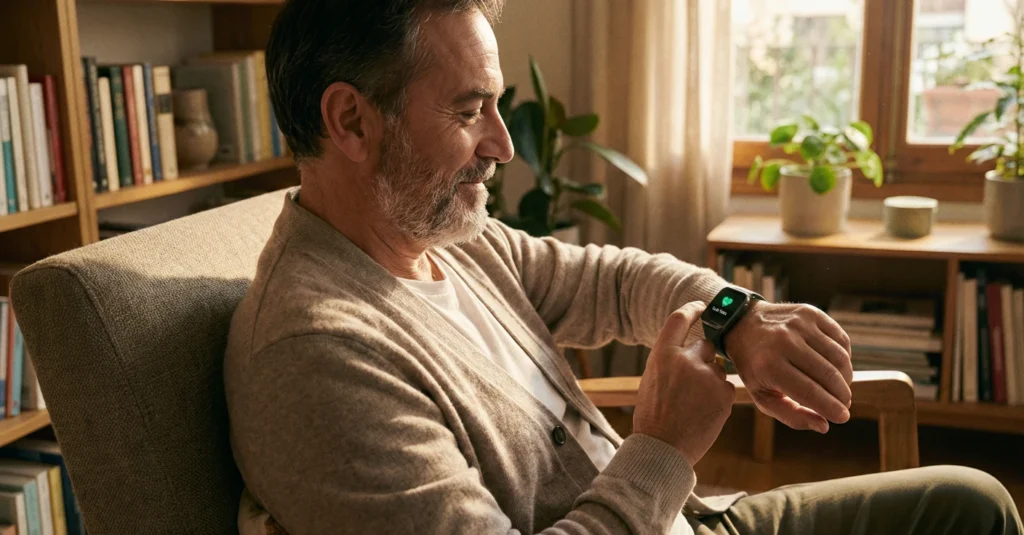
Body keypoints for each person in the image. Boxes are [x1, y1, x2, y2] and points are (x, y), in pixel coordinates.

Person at [223, 1, 1023, 533]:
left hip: (684, 516)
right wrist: (664, 449)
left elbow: (614, 280)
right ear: (351, 121)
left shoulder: (441, 241)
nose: (502, 145)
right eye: (470, 111)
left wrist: (733, 316)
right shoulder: (318, 358)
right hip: (658, 501)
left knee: (971, 500)